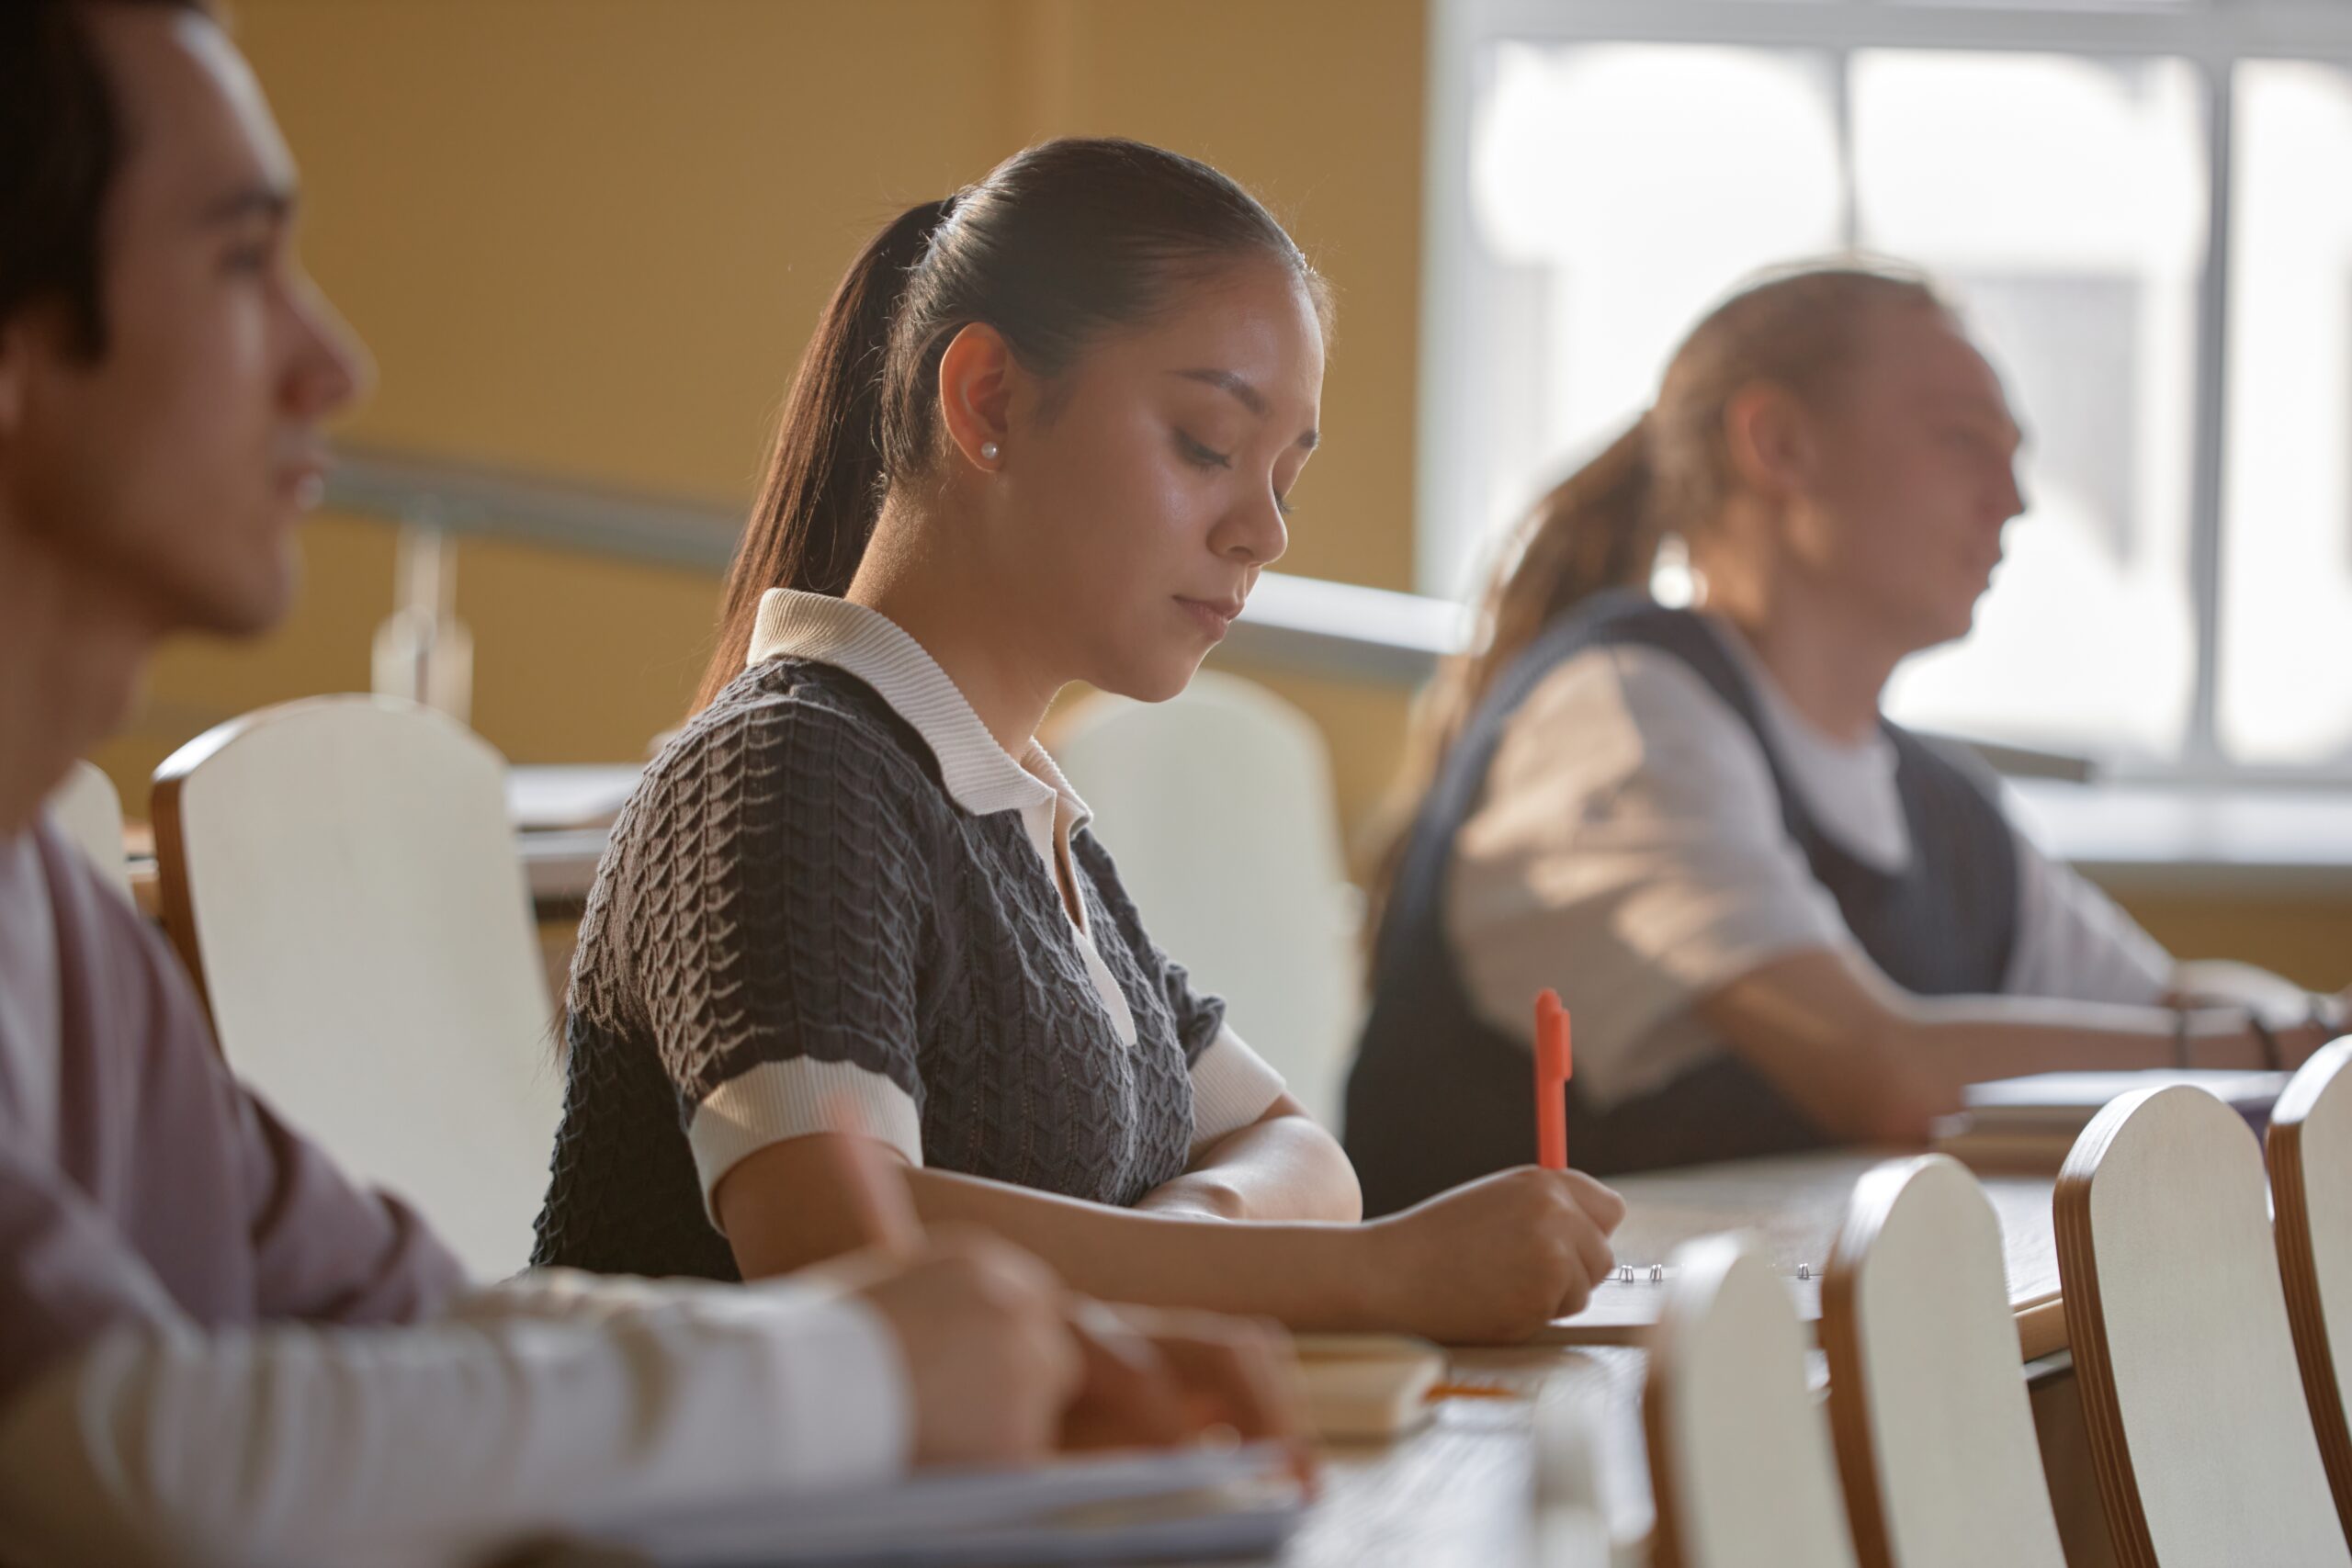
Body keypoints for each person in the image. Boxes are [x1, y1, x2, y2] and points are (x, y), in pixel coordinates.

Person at [0, 6, 1303, 1563]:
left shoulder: (54, 915)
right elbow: (118, 1449)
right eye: (237, 261)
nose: (332, 361)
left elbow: (404, 1322)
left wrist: (1040, 1339)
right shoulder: (798, 770)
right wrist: (875, 1362)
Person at [531, 137, 1626, 1346]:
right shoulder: (791, 769)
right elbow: (839, 1237)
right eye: (1209, 444)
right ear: (988, 400)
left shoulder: (1021, 815)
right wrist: (1369, 1278)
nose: (1261, 530)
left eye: (1285, 476)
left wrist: (1190, 1241)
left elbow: (1300, 1149)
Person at [1344, 263, 2350, 1214]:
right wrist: (2284, 1041)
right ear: (1779, 444)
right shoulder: (1618, 716)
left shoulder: (1941, 805)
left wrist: (2290, 1031)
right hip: (1518, 1386)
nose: (2015, 501)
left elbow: (2161, 1002)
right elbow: (1885, 1076)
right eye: (1962, 440)